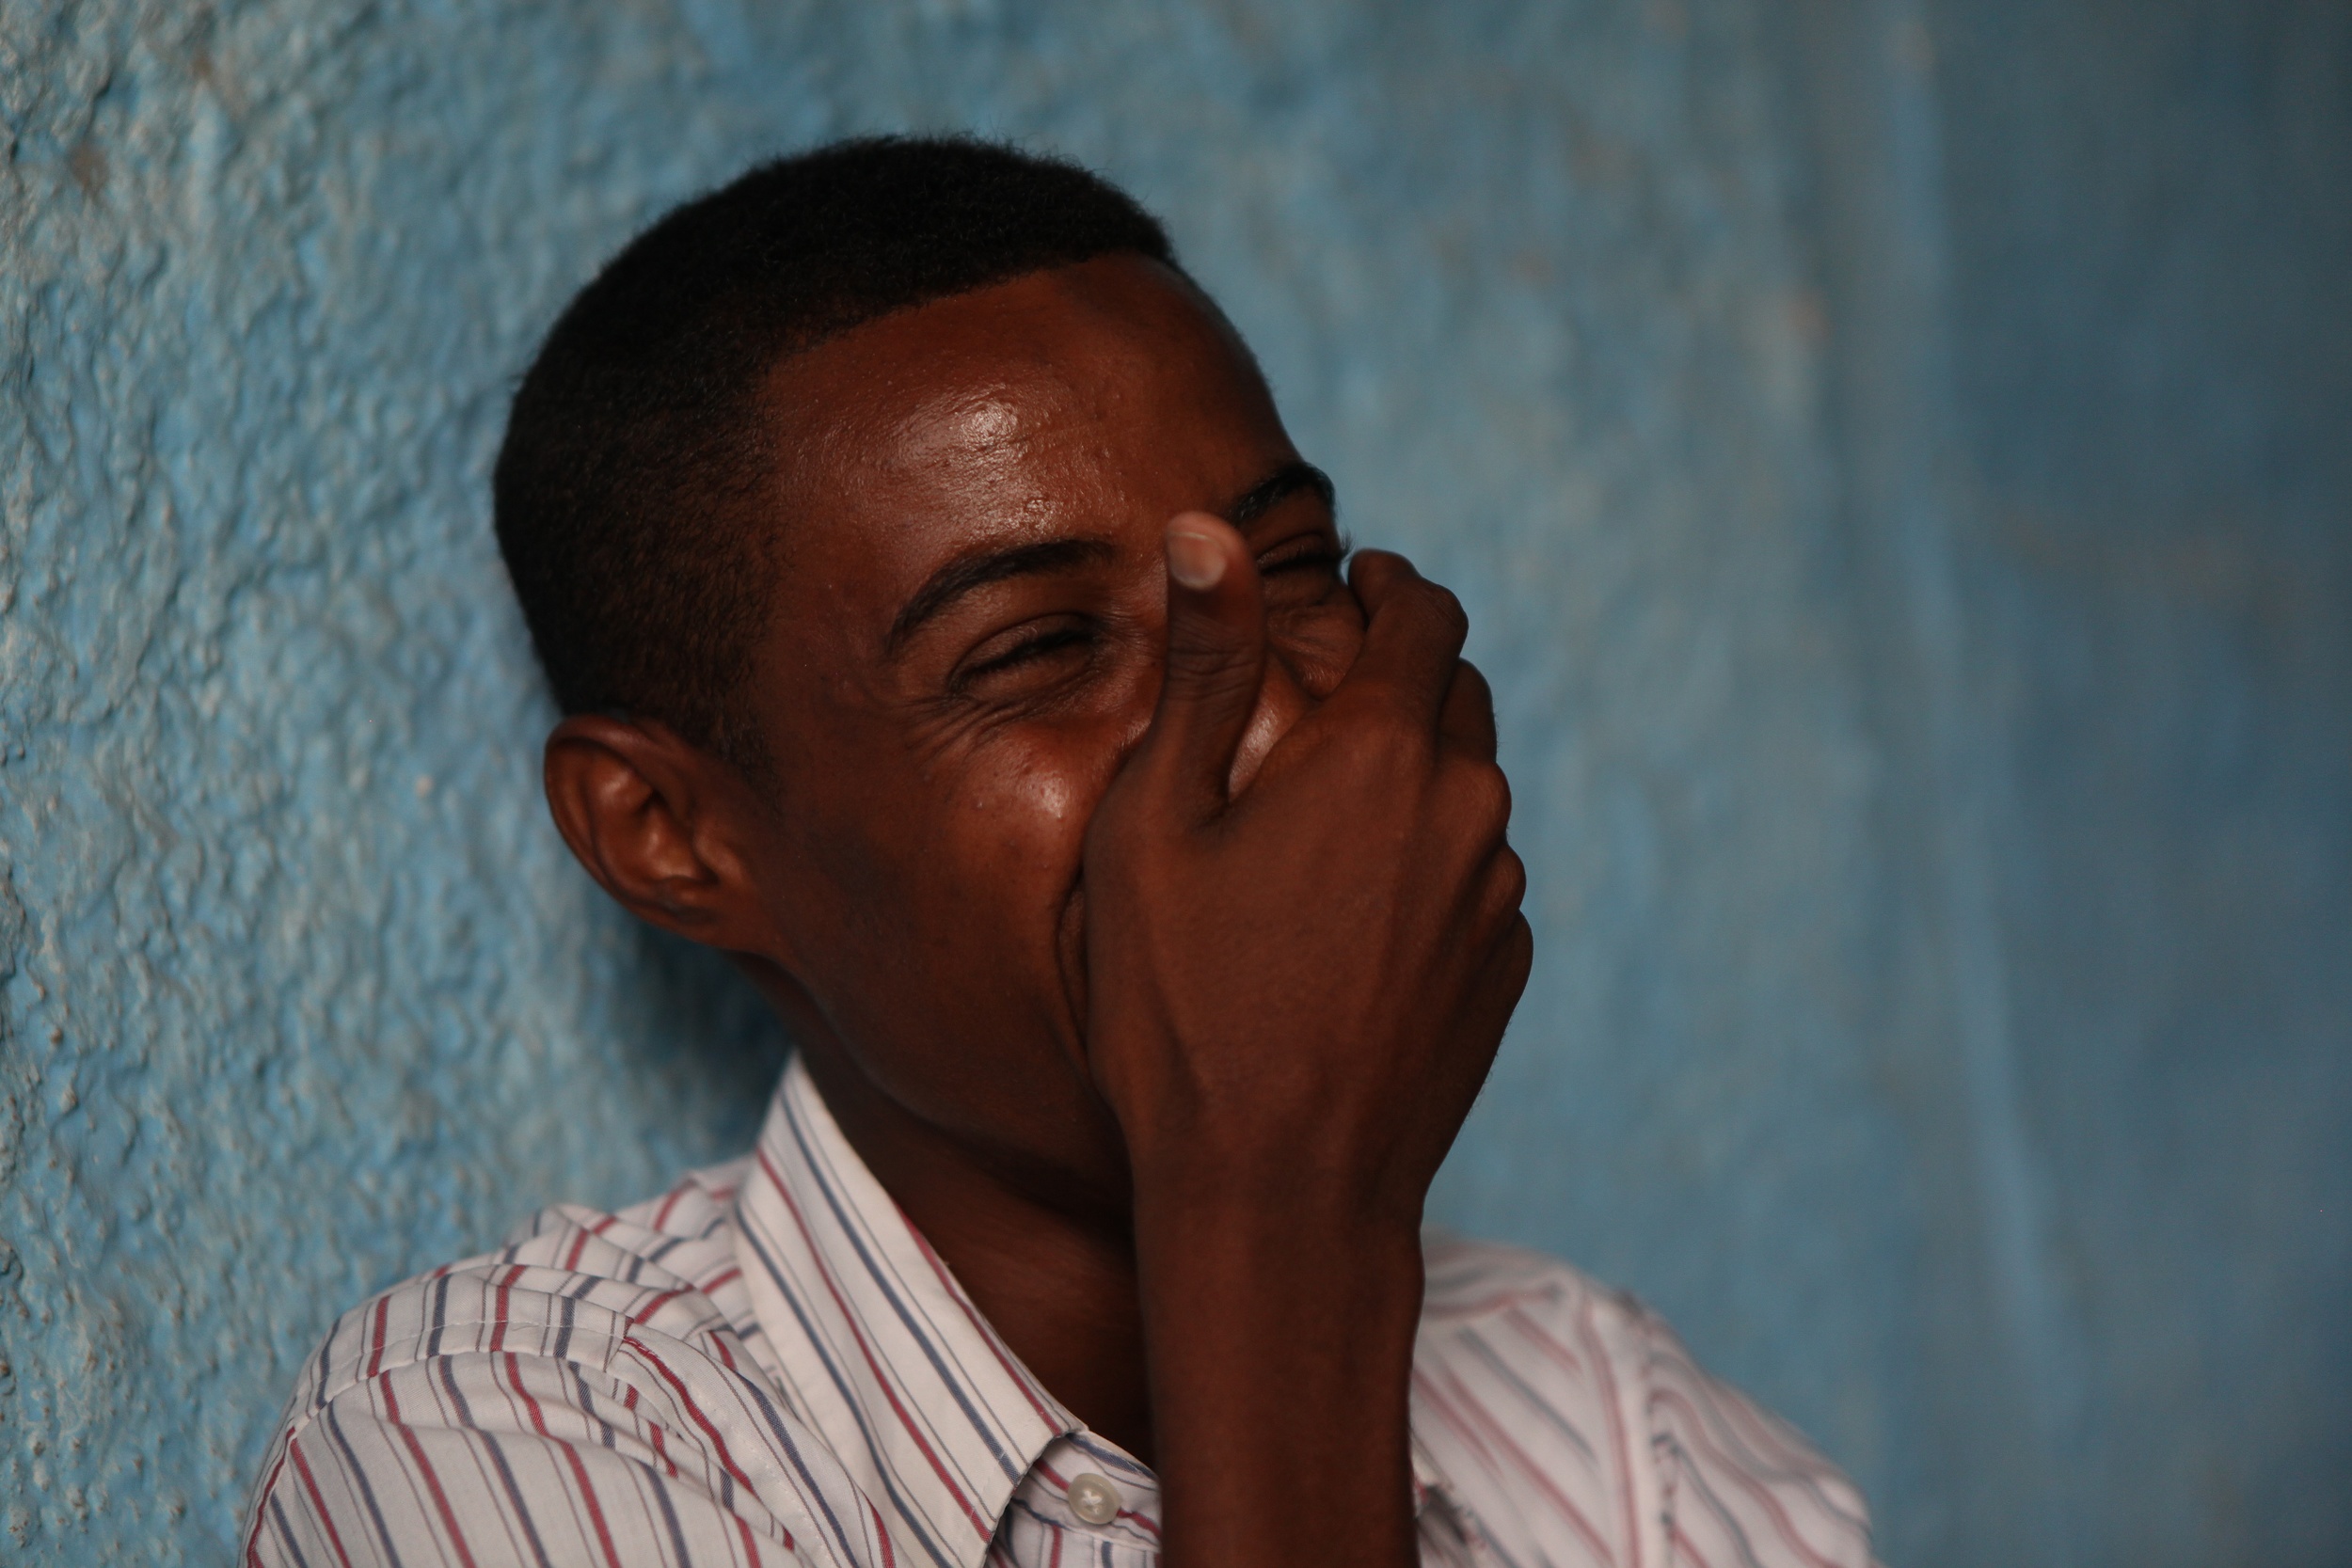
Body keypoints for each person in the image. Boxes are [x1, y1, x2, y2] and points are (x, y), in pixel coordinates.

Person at [243, 136, 1875, 1568]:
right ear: (669, 836)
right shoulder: (514, 1433)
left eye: (1291, 570)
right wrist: (1281, 1196)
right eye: (1032, 651)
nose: (1260, 726)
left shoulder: (1595, 1425)